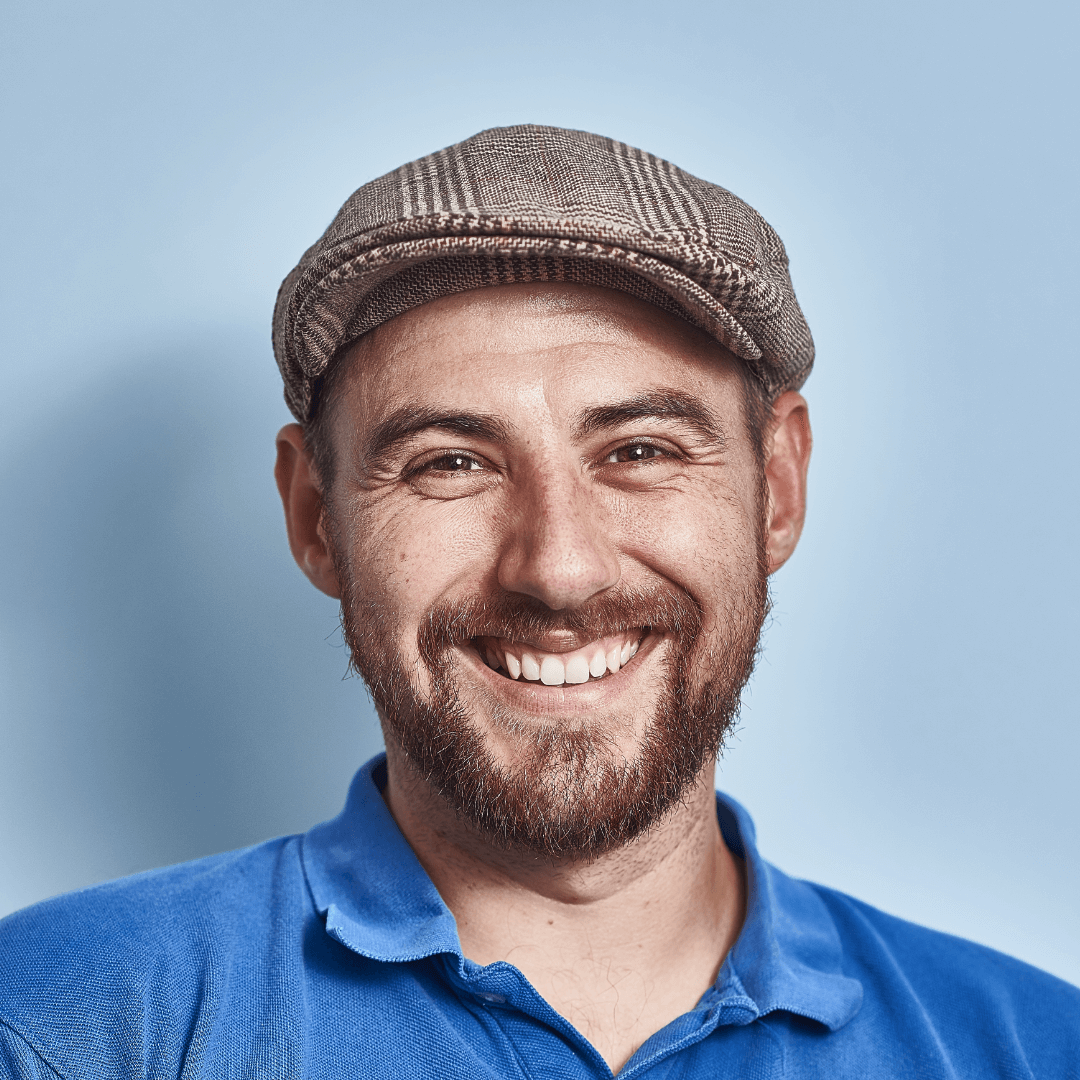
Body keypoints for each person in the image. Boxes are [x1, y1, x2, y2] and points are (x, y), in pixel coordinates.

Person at [0, 125, 1076, 1079]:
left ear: (778, 488)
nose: (558, 571)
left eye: (641, 451)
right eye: (450, 464)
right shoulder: (55, 1030)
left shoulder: (1032, 1049)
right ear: (316, 518)